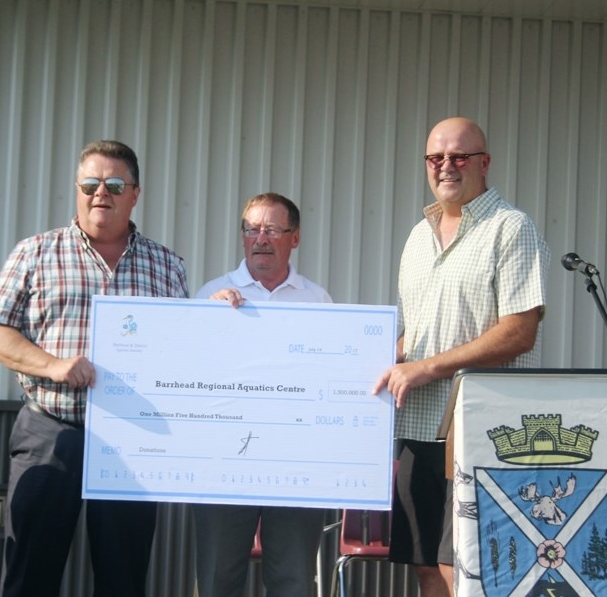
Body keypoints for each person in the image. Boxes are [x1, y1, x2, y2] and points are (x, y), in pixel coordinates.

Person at [0, 140, 188, 597]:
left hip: (133, 442)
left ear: (136, 193)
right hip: (51, 431)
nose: (101, 194)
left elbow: (183, 348)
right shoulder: (35, 253)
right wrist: (52, 365)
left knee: (123, 578)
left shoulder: (167, 265)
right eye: (90, 184)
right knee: (30, 572)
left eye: (115, 184)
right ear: (77, 189)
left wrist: (219, 313)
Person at [373, 117, 549, 595]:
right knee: (427, 565)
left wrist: (427, 367)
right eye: (436, 157)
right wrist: (380, 360)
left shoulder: (511, 228)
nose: (445, 166)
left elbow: (519, 331)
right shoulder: (417, 237)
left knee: (470, 570)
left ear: (484, 163)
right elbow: (418, 334)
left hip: (479, 431)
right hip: (417, 427)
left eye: (458, 156)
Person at [193, 192, 331, 597]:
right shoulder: (211, 295)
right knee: (218, 578)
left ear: (295, 237)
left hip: (295, 460)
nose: (261, 239)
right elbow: (187, 377)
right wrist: (207, 321)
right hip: (223, 460)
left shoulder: (317, 300)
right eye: (252, 229)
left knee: (292, 581)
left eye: (272, 229)